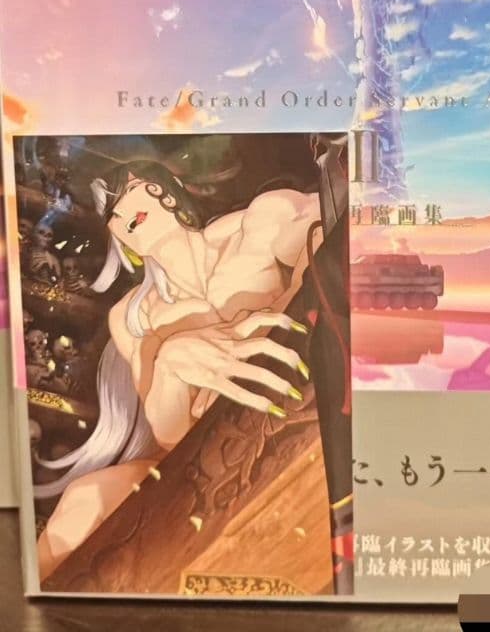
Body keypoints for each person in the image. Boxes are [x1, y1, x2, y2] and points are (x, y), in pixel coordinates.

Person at [36, 159, 318, 580]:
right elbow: (170, 435)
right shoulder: (134, 317)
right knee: (83, 500)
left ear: (167, 190)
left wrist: (276, 316)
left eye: (132, 187)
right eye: (110, 208)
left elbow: (333, 242)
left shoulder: (260, 225)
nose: (123, 206)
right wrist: (171, 362)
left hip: (290, 397)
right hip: (195, 449)